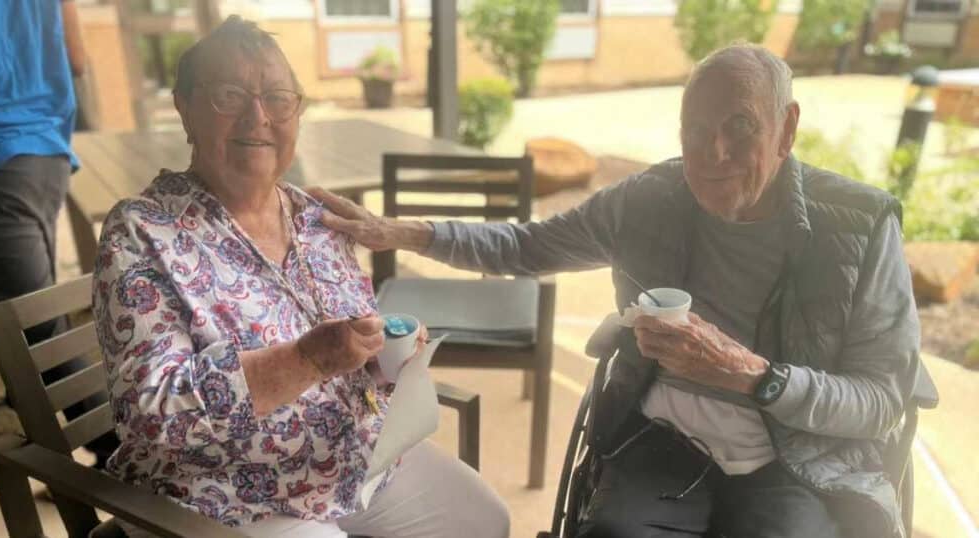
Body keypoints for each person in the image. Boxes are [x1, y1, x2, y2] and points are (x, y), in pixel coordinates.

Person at [313, 44, 920, 538]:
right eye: (695, 129)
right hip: (664, 439)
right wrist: (398, 232)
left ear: (786, 129)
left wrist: (753, 375)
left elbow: (881, 401)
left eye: (740, 125)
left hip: (798, 459)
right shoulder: (649, 201)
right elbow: (526, 246)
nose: (714, 152)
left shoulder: (860, 230)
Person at [92, 16, 508, 537]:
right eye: (229, 96)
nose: (258, 116)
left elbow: (352, 345)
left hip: (351, 460)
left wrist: (382, 358)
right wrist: (305, 360)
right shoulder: (142, 232)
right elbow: (151, 413)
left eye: (277, 97)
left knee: (483, 520)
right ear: (185, 108)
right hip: (223, 494)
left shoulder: (316, 217)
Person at [0, 0, 117, 465]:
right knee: (34, 317)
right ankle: (19, 406)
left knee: (37, 335)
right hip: (42, 152)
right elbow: (78, 58)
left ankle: (125, 468)